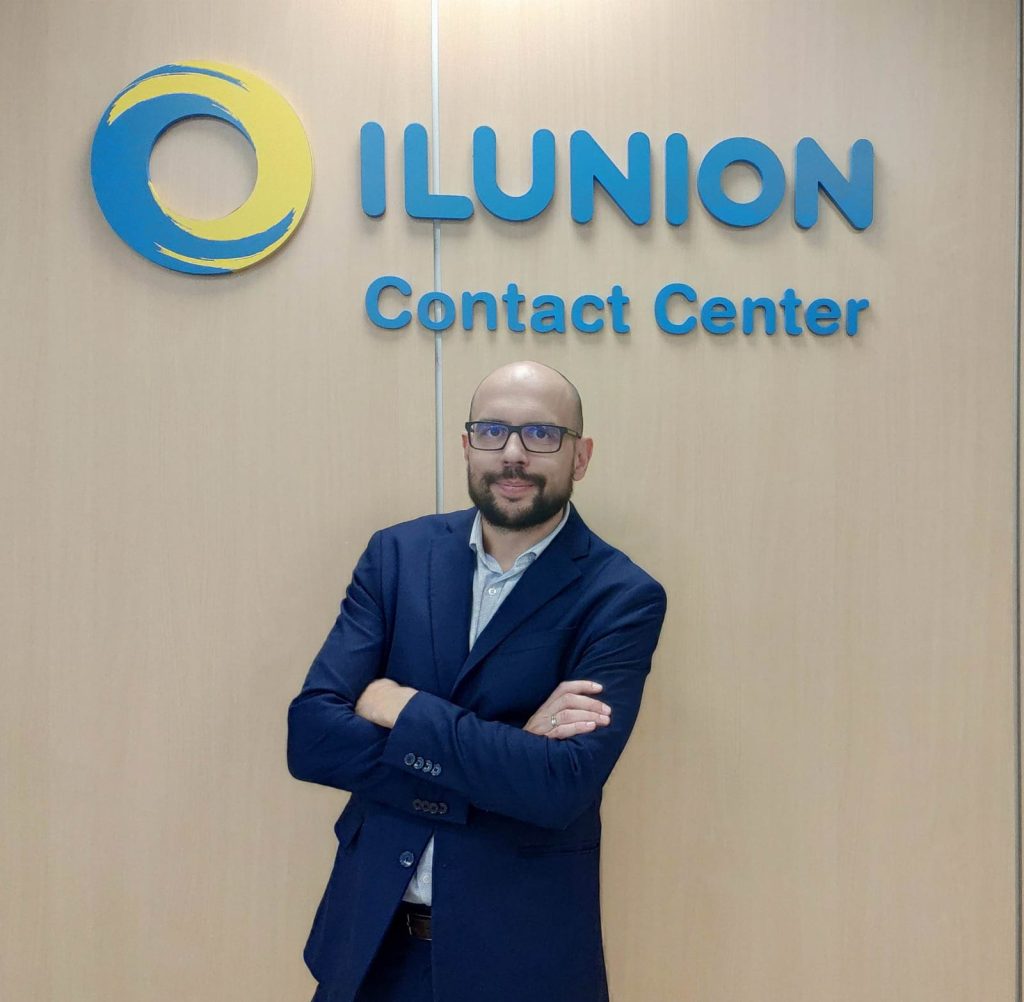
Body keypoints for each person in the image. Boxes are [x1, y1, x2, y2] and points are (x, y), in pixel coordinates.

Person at [288, 361, 667, 1002]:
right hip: (370, 945)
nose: (513, 453)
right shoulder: (395, 556)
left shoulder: (621, 596)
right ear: (468, 446)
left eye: (541, 434)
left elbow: (559, 787)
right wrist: (509, 751)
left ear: (580, 456)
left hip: (520, 959)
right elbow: (312, 739)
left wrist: (403, 707)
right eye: (492, 431)